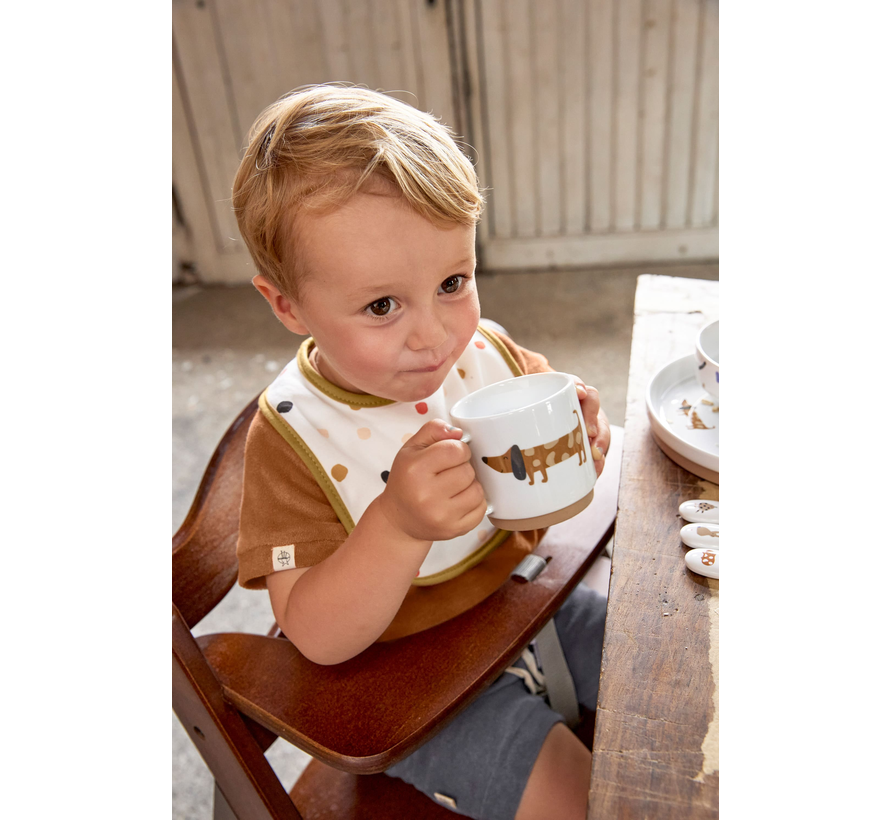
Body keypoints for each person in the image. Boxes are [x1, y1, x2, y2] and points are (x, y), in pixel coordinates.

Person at [231, 84, 612, 820]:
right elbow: (312, 635)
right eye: (382, 306)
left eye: (452, 282)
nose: (435, 335)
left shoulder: (481, 351)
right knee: (590, 800)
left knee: (682, 689)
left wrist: (581, 441)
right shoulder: (290, 440)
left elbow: (555, 477)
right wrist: (396, 528)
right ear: (287, 305)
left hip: (528, 609)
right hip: (414, 691)